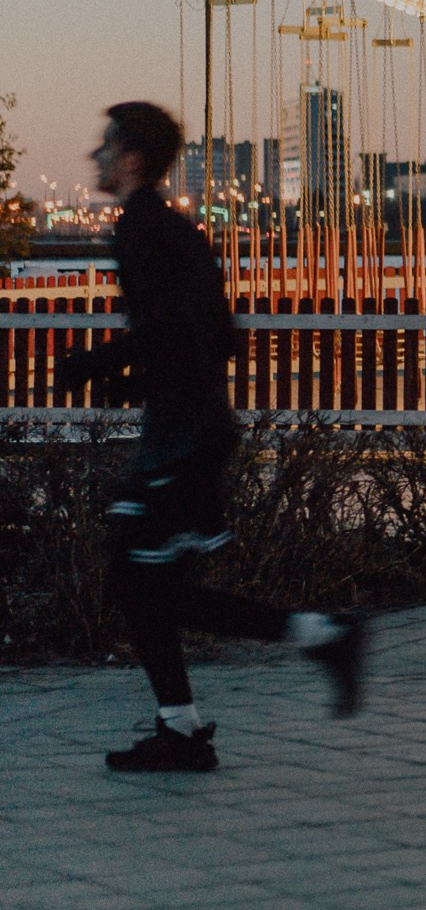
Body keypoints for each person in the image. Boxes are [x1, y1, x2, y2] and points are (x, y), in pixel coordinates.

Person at [57, 103, 368, 773]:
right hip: (193, 429)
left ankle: (323, 634)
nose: (97, 157)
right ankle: (183, 727)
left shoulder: (139, 229)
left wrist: (96, 363)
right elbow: (216, 336)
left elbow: (170, 328)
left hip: (183, 439)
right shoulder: (183, 232)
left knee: (138, 580)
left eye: (106, 145)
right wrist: (136, 386)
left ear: (134, 158)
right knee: (147, 585)